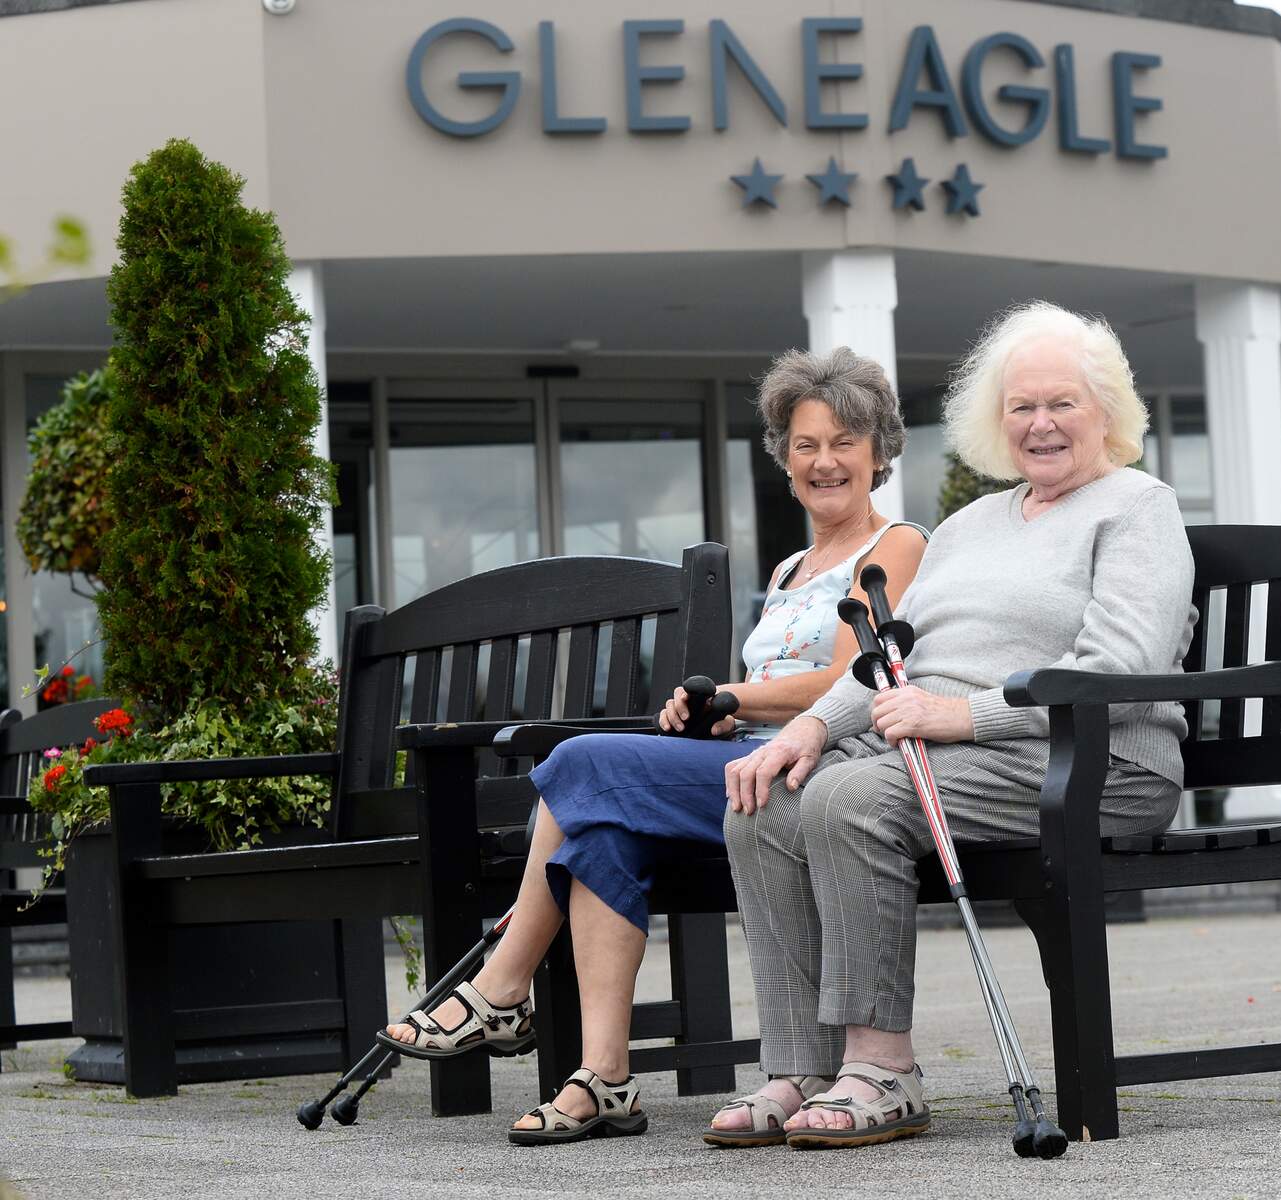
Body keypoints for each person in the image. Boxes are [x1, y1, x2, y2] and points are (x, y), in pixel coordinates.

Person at [374, 347, 926, 1146]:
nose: (825, 461)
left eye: (845, 442)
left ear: (880, 452)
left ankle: (501, 986)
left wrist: (736, 696)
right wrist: (713, 714)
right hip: (746, 773)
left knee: (578, 763)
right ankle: (603, 1079)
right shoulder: (789, 567)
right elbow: (764, 692)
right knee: (601, 832)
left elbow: (856, 678)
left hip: (827, 772)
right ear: (784, 459)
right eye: (805, 445)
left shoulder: (897, 546)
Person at [712, 301, 1197, 1149]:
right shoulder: (972, 525)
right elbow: (889, 657)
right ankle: (800, 1066)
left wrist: (958, 715)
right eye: (1021, 407)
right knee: (768, 798)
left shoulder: (1136, 506)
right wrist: (812, 730)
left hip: (1093, 762)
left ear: (1108, 412)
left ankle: (883, 1067)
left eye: (1061, 404)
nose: (1039, 424)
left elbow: (1119, 673)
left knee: (852, 797)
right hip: (962, 757)